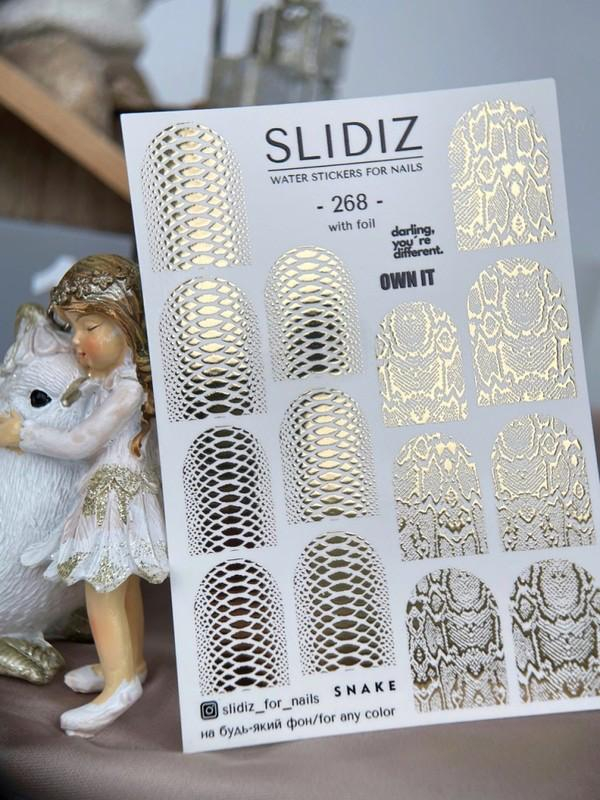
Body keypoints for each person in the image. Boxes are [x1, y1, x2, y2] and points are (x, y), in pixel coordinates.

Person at [0, 254, 168, 737]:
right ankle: (131, 664)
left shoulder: (127, 389)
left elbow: (81, 442)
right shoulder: (114, 378)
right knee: (122, 585)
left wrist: (22, 435)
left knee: (102, 592)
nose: (77, 340)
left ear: (125, 324)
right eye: (73, 327)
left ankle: (118, 685)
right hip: (116, 493)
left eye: (89, 327)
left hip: (111, 496)